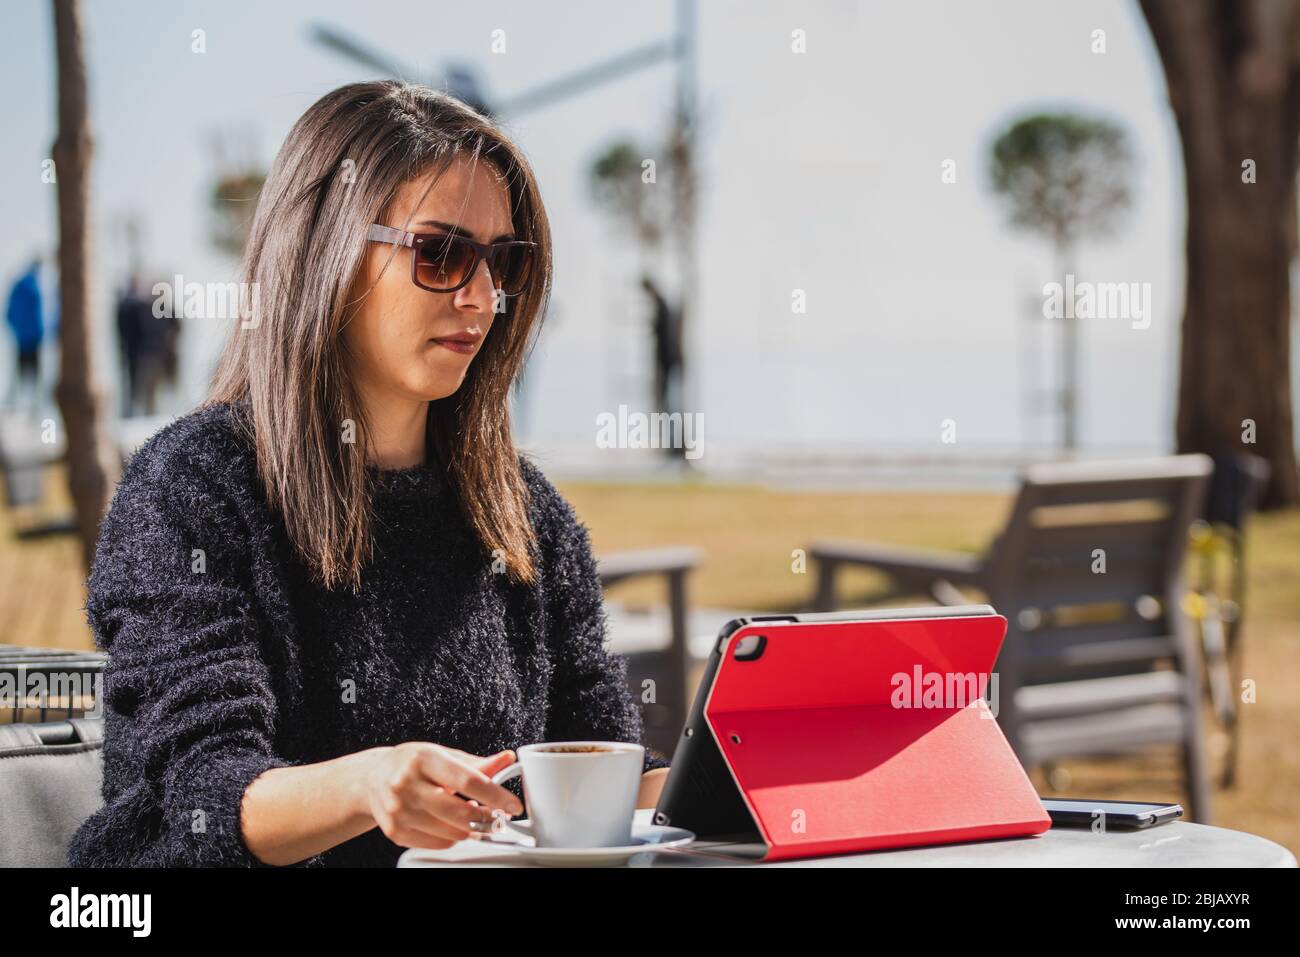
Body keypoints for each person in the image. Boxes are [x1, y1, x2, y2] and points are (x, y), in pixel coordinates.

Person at [66, 81, 671, 868]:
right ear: (328, 254)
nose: (483, 297)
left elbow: (599, 769)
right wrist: (368, 786)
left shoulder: (528, 517)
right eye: (442, 252)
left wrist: (734, 778)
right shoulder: (189, 494)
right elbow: (202, 794)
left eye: (504, 261)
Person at [5, 258, 44, 412]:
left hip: (21, 337)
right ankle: (33, 406)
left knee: (19, 371)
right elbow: (38, 315)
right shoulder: (33, 287)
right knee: (34, 374)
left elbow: (9, 314)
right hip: (32, 338)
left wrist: (16, 331)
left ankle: (15, 403)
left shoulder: (19, 285)